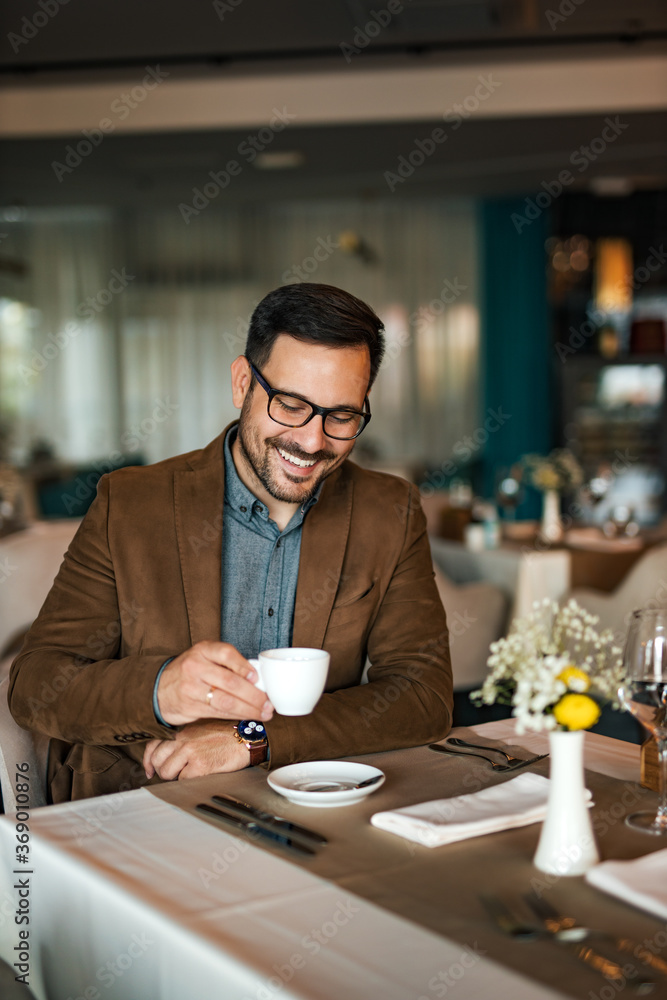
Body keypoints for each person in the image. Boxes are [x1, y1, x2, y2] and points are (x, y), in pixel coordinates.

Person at [9, 283, 453, 802]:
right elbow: (37, 685)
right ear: (243, 383)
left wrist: (254, 739)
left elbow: (423, 697)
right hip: (140, 800)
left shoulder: (390, 511)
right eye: (290, 405)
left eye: (342, 416)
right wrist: (160, 691)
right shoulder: (130, 503)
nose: (312, 442)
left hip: (317, 804)